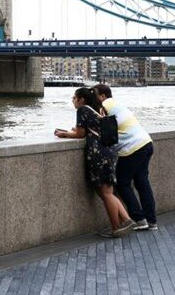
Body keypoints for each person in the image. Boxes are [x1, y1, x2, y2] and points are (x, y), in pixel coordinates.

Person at [55, 87, 134, 237]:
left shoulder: (83, 109)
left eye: (74, 97)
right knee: (107, 192)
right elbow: (92, 128)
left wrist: (63, 134)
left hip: (99, 154)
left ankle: (116, 227)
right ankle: (126, 220)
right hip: (109, 151)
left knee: (105, 193)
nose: (72, 100)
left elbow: (80, 134)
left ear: (81, 99)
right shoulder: (99, 108)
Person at [92, 84, 158, 231]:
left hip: (132, 147)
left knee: (122, 183)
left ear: (102, 96)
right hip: (146, 143)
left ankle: (139, 219)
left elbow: (97, 124)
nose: (93, 99)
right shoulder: (118, 104)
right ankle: (151, 221)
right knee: (142, 183)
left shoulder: (105, 104)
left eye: (94, 95)